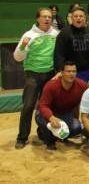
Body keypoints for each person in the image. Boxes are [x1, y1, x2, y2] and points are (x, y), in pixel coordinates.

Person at [13, 8, 59, 149]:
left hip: (50, 75)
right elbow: (17, 57)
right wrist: (23, 45)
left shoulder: (56, 34)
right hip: (32, 75)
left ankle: (46, 135)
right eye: (44, 16)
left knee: (48, 107)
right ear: (37, 19)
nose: (47, 19)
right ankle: (22, 137)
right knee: (28, 106)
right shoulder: (29, 35)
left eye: (49, 17)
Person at [35, 61, 87, 150]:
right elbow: (43, 105)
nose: (71, 74)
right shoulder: (51, 85)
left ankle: (52, 135)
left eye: (74, 71)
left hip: (65, 114)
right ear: (61, 73)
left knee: (77, 127)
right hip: (47, 113)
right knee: (44, 122)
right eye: (68, 71)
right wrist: (51, 117)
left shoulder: (81, 85)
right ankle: (50, 141)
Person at [54, 7, 89, 82]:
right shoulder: (64, 33)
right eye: (75, 16)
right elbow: (59, 54)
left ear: (85, 18)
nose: (78, 18)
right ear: (71, 18)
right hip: (70, 72)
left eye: (81, 16)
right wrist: (60, 70)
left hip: (88, 71)